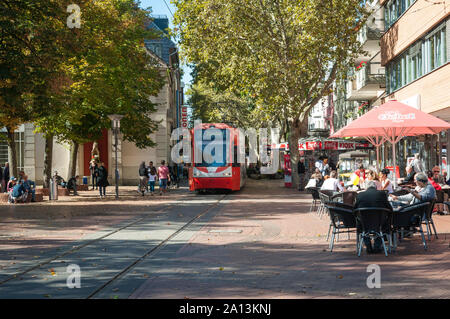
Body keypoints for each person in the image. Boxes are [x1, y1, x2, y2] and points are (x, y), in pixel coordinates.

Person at [354, 180, 393, 254]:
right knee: (382, 225)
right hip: (379, 222)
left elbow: (354, 209)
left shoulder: (360, 195)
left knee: (363, 227)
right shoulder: (382, 194)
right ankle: (377, 246)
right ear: (375, 187)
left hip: (364, 222)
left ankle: (368, 246)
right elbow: (389, 208)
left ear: (366, 188)